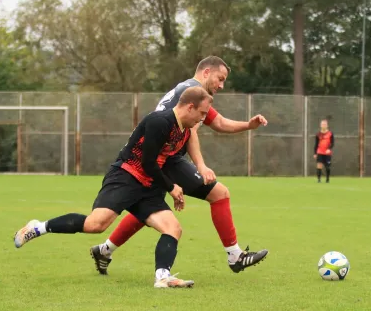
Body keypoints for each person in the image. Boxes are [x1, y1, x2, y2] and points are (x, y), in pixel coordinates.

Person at [14, 86, 214, 288]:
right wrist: (171, 187)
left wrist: (182, 181)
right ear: (190, 107)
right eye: (202, 113)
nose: (203, 119)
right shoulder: (159, 121)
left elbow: (166, 162)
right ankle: (38, 227)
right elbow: (148, 162)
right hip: (126, 177)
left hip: (148, 187)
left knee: (173, 228)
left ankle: (163, 277)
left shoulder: (184, 132)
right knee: (95, 225)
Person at [90, 56, 269, 276]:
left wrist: (248, 125)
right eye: (220, 79)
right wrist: (201, 166)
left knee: (147, 210)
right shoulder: (192, 93)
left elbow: (220, 122)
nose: (221, 85)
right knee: (219, 194)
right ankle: (235, 256)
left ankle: (104, 251)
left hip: (159, 159)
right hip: (166, 160)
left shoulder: (190, 91)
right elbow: (190, 132)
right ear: (206, 72)